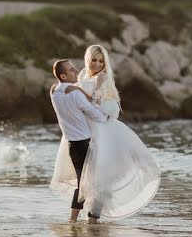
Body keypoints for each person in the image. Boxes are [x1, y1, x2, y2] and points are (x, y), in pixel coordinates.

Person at [51, 44, 160, 220]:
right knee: (85, 179)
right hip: (84, 130)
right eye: (94, 60)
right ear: (88, 59)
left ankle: (93, 218)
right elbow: (73, 99)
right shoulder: (81, 75)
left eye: (101, 61)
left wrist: (77, 89)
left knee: (101, 178)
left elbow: (94, 101)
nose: (97, 64)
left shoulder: (101, 78)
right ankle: (75, 220)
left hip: (100, 129)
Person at [48, 59, 108, 224]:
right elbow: (94, 113)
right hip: (86, 144)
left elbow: (60, 87)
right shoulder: (74, 94)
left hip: (72, 145)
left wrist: (75, 87)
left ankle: (72, 220)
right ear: (63, 75)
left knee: (83, 182)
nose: (75, 71)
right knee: (98, 183)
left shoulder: (54, 91)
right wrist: (106, 116)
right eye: (71, 70)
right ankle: (92, 222)